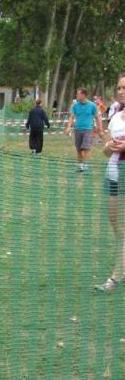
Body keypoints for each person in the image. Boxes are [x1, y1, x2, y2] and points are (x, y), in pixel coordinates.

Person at [95, 75, 125, 293]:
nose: (121, 91)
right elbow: (107, 151)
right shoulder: (115, 117)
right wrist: (109, 147)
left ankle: (115, 278)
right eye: (119, 88)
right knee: (116, 225)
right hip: (113, 174)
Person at [64, 88, 102, 173]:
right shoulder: (75, 105)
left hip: (88, 129)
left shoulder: (92, 105)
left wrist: (100, 128)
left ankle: (84, 165)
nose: (76, 95)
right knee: (79, 149)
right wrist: (68, 127)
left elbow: (97, 117)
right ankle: (80, 166)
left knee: (86, 148)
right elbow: (71, 117)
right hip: (77, 129)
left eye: (78, 94)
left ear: (83, 95)